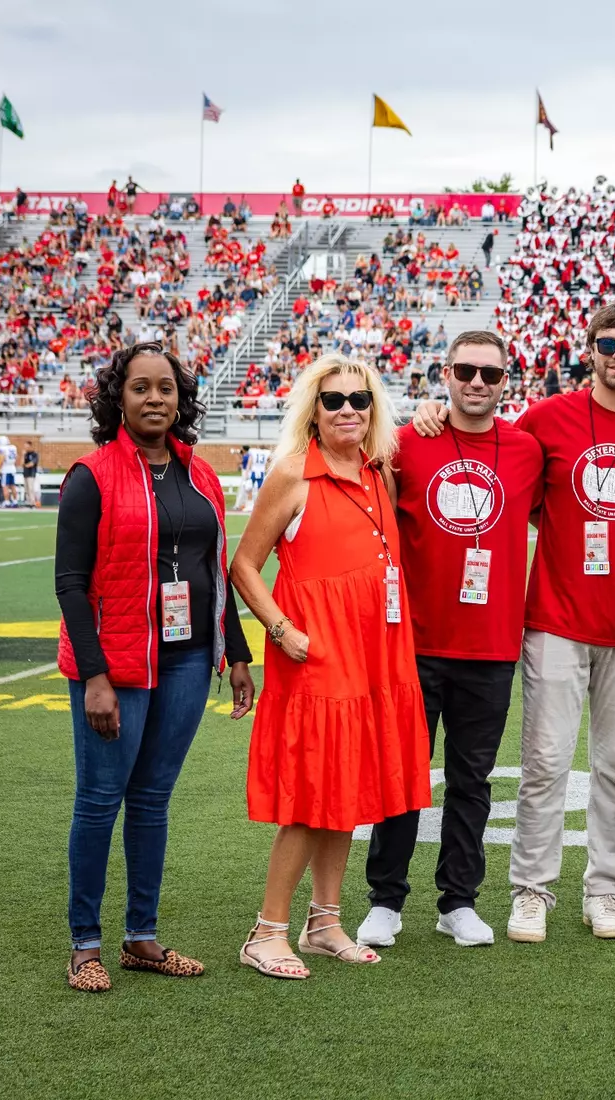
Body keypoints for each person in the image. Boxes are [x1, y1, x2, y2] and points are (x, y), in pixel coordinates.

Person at [412, 301, 615, 943]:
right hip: (556, 620)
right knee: (545, 762)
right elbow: (499, 470)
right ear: (589, 351)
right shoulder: (545, 419)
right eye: (608, 345)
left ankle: (605, 891)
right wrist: (429, 412)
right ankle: (532, 890)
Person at [55, 341, 255, 992]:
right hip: (116, 666)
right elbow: (70, 584)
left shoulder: (201, 476)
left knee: (151, 800)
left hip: (189, 661)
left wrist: (236, 652)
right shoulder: (91, 475)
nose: (154, 399)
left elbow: (214, 571)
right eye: (140, 387)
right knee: (99, 801)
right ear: (119, 398)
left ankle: (141, 937)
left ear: (180, 399)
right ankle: (85, 945)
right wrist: (94, 677)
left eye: (165, 388)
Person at [231, 354, 433, 978]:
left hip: (373, 655)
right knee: (310, 793)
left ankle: (324, 922)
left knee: (347, 788)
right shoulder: (293, 473)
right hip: (315, 658)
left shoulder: (379, 472)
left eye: (359, 399)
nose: (348, 410)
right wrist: (282, 629)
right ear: (313, 411)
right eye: (334, 400)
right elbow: (244, 565)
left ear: (374, 409)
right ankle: (267, 932)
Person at [355, 332, 544, 950]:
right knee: (402, 774)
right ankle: (385, 900)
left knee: (472, 780)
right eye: (466, 371)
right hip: (414, 642)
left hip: (491, 645)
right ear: (446, 374)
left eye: (490, 373)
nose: (477, 383)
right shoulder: (407, 442)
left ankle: (458, 901)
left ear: (506, 380)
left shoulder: (526, 449)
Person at [22, 442, 40, 507]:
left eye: (26, 446)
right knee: (26, 489)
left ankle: (32, 503)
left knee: (31, 488)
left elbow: (31, 464)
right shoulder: (25, 454)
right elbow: (22, 464)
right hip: (25, 474)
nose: (25, 448)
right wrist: (23, 456)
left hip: (31, 474)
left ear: (30, 446)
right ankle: (28, 502)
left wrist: (26, 465)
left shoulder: (35, 454)